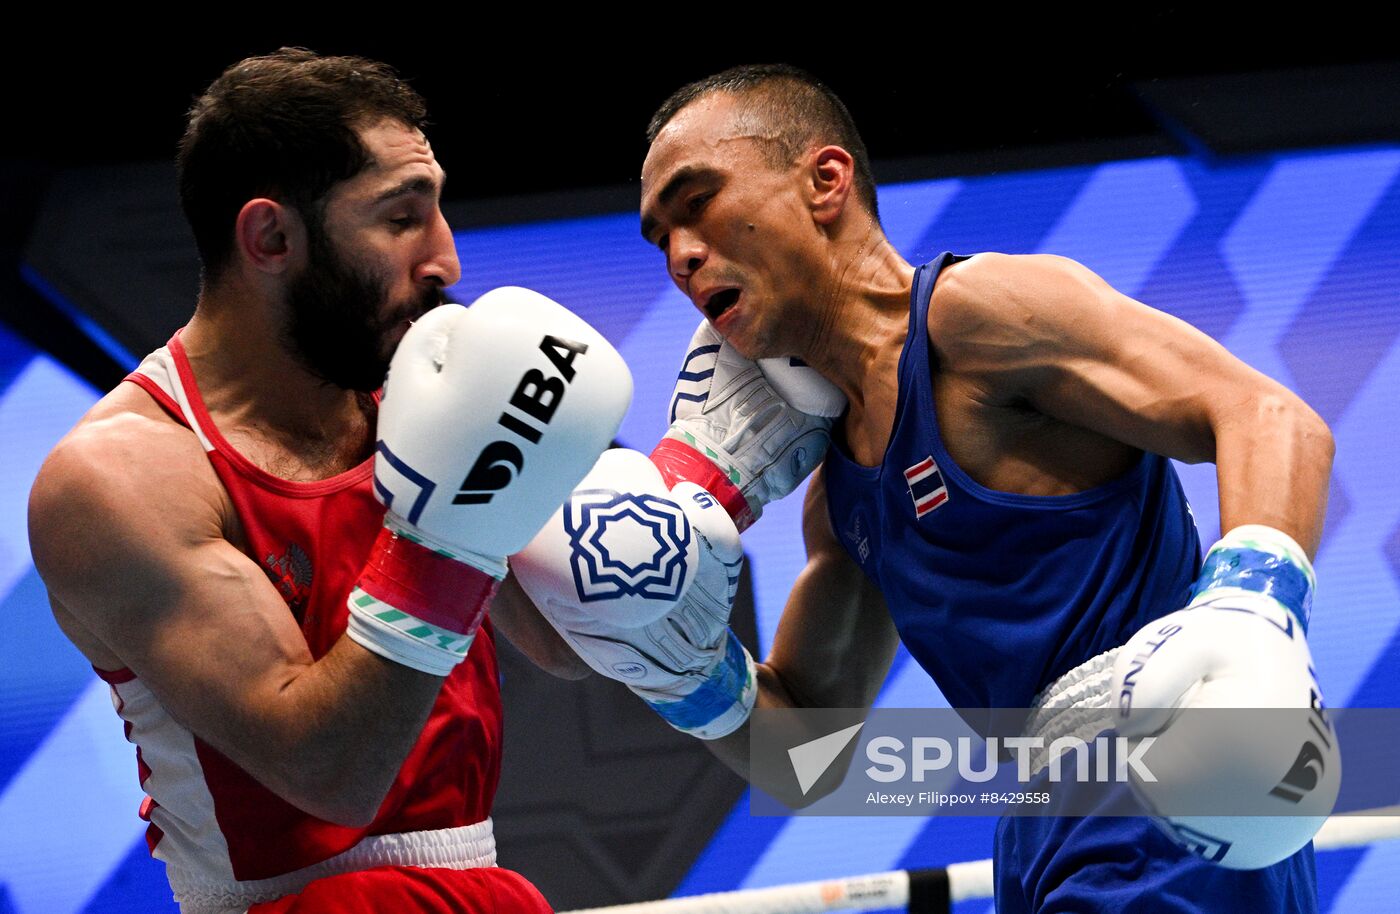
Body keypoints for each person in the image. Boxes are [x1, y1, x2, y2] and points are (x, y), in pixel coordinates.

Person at [513, 65, 1335, 911]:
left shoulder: (978, 314)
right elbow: (808, 757)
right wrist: (679, 671)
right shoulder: (841, 493)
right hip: (1037, 823)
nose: (682, 255)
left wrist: (1253, 609)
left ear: (825, 181)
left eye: (698, 202)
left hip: (1170, 777)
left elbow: (1269, 415)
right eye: (660, 240)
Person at [27, 49, 626, 914]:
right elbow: (330, 773)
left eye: (437, 209)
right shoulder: (121, 475)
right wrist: (446, 533)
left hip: (482, 888)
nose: (446, 260)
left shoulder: (417, 400)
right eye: (400, 217)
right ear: (270, 238)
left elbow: (566, 644)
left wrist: (682, 513)